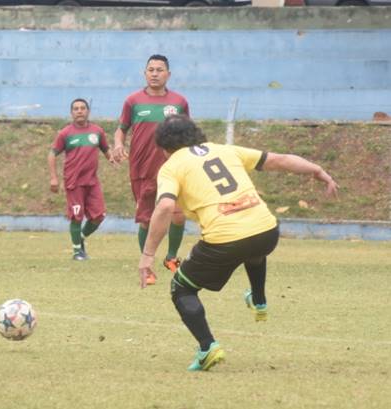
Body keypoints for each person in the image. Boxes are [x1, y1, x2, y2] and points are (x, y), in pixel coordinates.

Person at [138, 115, 338, 371]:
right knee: (253, 247)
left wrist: (147, 255)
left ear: (164, 147)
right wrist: (318, 171)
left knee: (182, 288)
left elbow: (165, 205)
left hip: (224, 239)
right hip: (266, 230)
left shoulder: (171, 166)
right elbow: (280, 160)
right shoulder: (225, 150)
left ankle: (207, 346)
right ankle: (259, 299)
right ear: (196, 134)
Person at [112, 54, 189, 284]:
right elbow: (121, 129)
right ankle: (148, 264)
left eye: (159, 69)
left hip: (173, 168)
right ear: (145, 73)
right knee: (146, 219)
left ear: (168, 74)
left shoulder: (179, 102)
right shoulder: (133, 101)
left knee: (178, 214)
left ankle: (172, 257)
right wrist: (118, 144)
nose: (155, 73)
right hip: (142, 167)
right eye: (151, 69)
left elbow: (188, 132)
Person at [48, 98, 113, 260]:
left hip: (92, 181)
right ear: (71, 113)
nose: (79, 111)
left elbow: (106, 150)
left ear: (88, 111)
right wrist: (53, 178)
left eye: (82, 108)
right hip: (74, 182)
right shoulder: (65, 133)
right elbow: (52, 154)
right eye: (76, 109)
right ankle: (77, 251)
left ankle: (81, 237)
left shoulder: (97, 131)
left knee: (99, 216)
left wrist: (113, 158)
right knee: (77, 216)